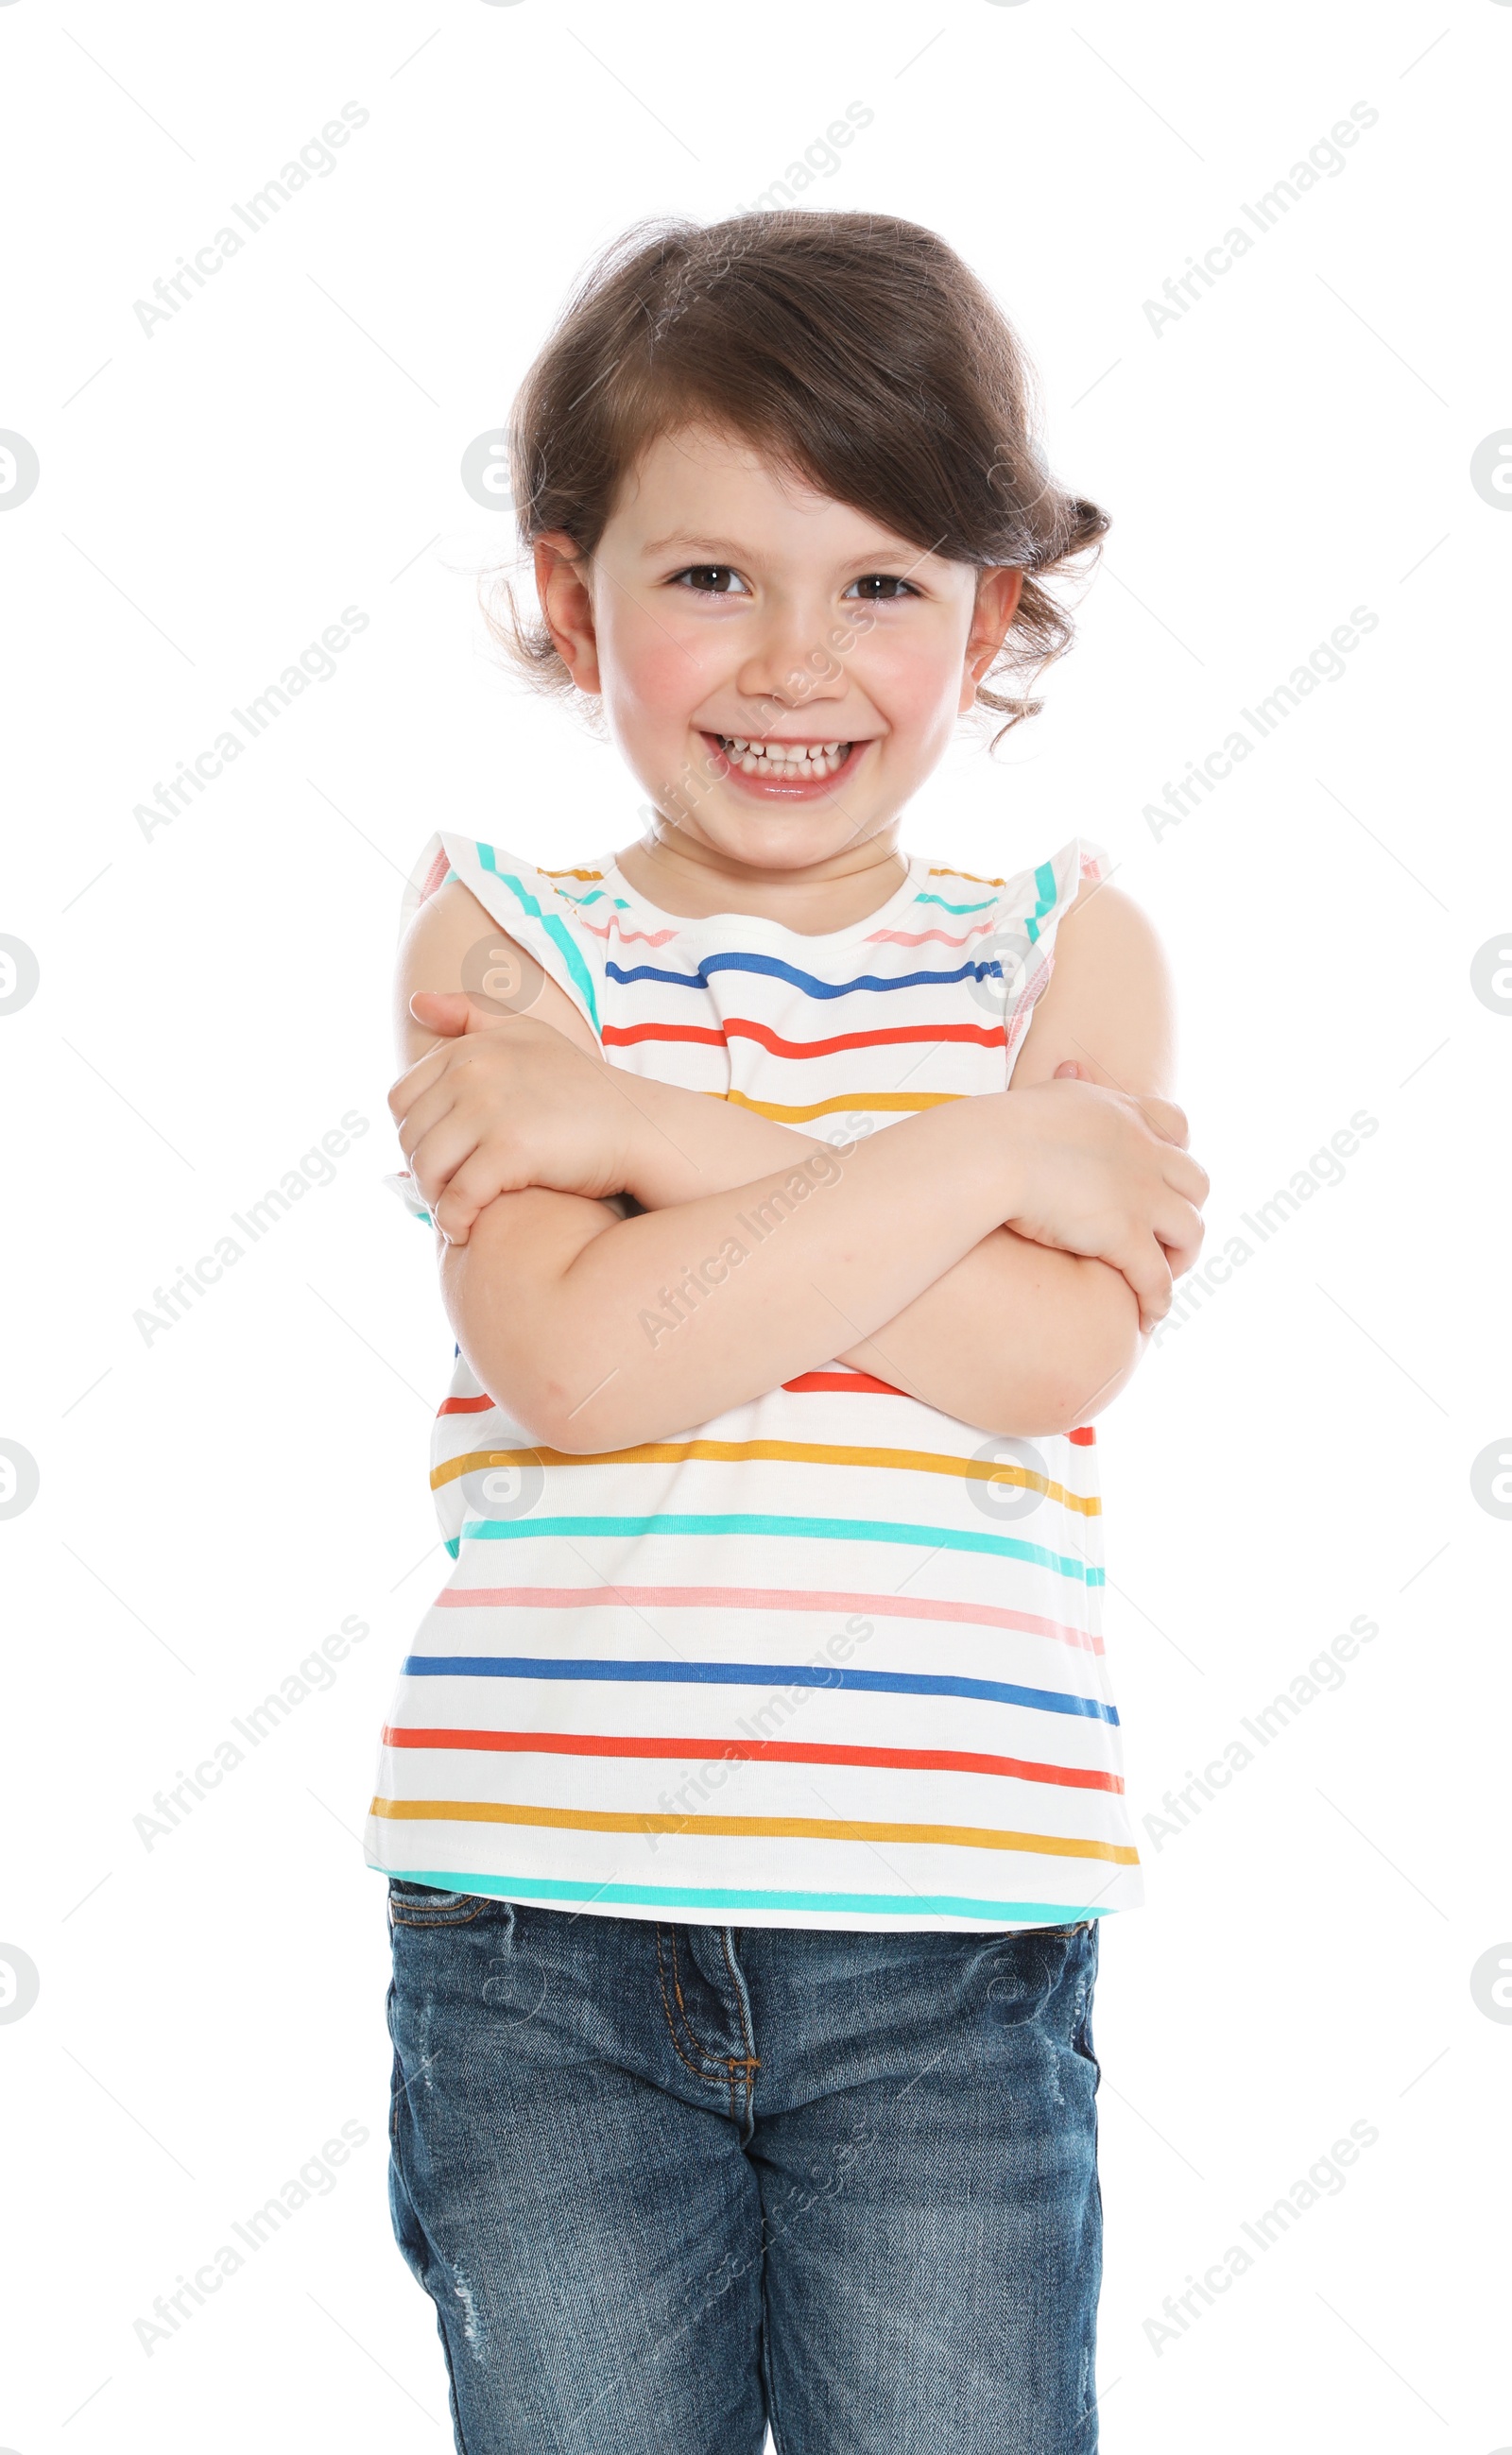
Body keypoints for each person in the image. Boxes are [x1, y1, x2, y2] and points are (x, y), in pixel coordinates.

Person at [370, 211, 1208, 2454]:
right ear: (572, 600)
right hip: (543, 1934)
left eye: (879, 586)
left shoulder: (1064, 947)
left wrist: (643, 1131)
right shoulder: (505, 941)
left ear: (990, 618)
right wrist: (979, 1171)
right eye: (709, 576)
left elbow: (1046, 1363)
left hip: (943, 1943)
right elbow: (582, 1362)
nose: (793, 662)